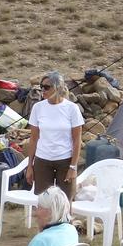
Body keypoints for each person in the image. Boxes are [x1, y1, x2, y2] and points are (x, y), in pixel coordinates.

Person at [24, 70, 84, 200]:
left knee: (65, 202)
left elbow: (77, 140)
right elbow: (33, 139)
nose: (42, 90)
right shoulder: (37, 108)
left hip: (65, 161)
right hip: (42, 161)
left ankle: (64, 221)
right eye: (41, 87)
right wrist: (30, 166)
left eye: (46, 87)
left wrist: (73, 167)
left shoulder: (71, 108)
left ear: (58, 88)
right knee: (44, 203)